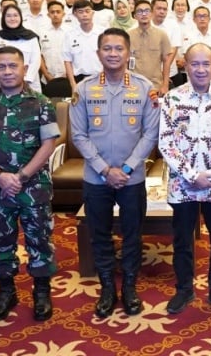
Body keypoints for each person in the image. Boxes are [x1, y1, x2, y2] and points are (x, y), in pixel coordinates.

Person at [0, 46, 61, 322]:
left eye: (13, 66)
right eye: (1, 67)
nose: (7, 71)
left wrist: (21, 177)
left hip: (34, 187)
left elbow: (48, 144)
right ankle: (6, 291)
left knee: (39, 240)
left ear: (24, 69)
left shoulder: (41, 102)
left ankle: (41, 292)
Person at [71, 27, 160, 317]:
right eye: (107, 48)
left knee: (133, 235)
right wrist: (104, 169)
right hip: (96, 178)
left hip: (132, 177)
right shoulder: (83, 89)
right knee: (99, 236)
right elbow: (78, 135)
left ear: (128, 52)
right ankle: (107, 288)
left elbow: (150, 133)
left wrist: (126, 168)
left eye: (118, 48)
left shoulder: (144, 87)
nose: (113, 54)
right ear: (98, 53)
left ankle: (130, 287)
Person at [160, 43, 211, 316]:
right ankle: (184, 289)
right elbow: (166, 143)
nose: (200, 69)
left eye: (206, 64)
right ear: (185, 65)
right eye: (194, 64)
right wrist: (192, 175)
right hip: (182, 185)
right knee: (182, 240)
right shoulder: (172, 99)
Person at [0, 5, 42, 93]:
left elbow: (36, 61)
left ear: (20, 17)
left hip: (28, 83)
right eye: (8, 16)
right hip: (4, 81)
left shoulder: (31, 37)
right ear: (3, 18)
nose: (12, 19)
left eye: (15, 15)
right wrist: (0, 76)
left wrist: (26, 80)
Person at [128, 0, 172, 95]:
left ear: (152, 14)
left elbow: (166, 62)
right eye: (140, 11)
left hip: (155, 86)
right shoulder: (128, 36)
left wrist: (165, 85)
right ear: (135, 16)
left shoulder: (161, 35)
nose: (144, 14)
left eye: (147, 11)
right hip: (133, 87)